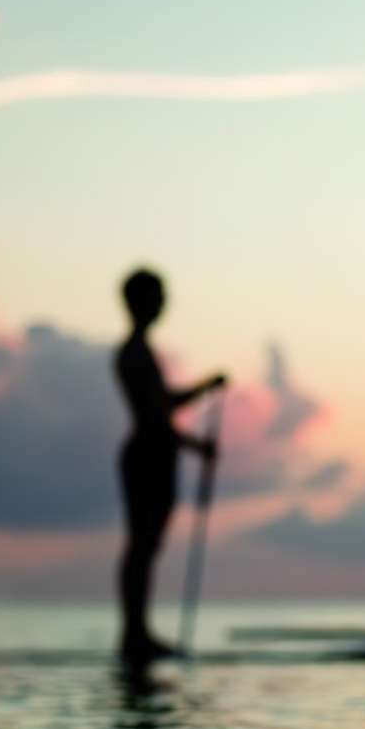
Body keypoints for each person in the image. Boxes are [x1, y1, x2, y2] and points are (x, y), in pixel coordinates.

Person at [114, 268, 226, 663]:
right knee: (142, 545)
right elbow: (153, 416)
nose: (163, 303)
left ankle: (137, 633)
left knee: (147, 546)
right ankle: (134, 635)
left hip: (156, 454)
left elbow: (164, 402)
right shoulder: (133, 353)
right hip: (148, 456)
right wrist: (198, 446)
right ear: (139, 301)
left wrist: (205, 388)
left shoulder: (141, 352)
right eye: (157, 295)